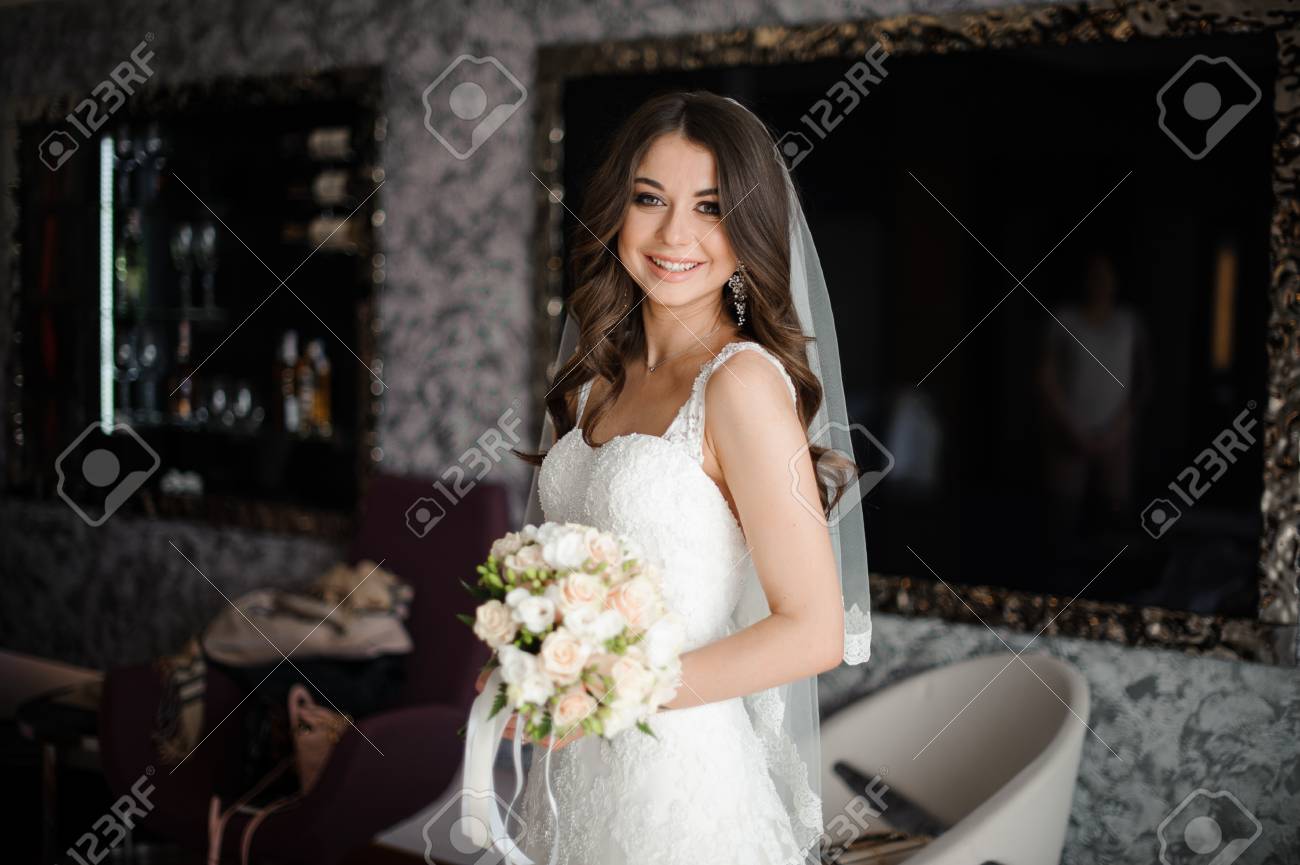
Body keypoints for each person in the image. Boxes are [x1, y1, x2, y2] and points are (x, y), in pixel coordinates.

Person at [483, 91, 871, 865]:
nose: (674, 234)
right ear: (617, 211)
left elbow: (814, 629)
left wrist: (610, 690)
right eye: (649, 199)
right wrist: (525, 652)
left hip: (682, 787)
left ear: (749, 228)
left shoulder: (741, 385)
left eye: (710, 206)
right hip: (574, 773)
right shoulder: (596, 378)